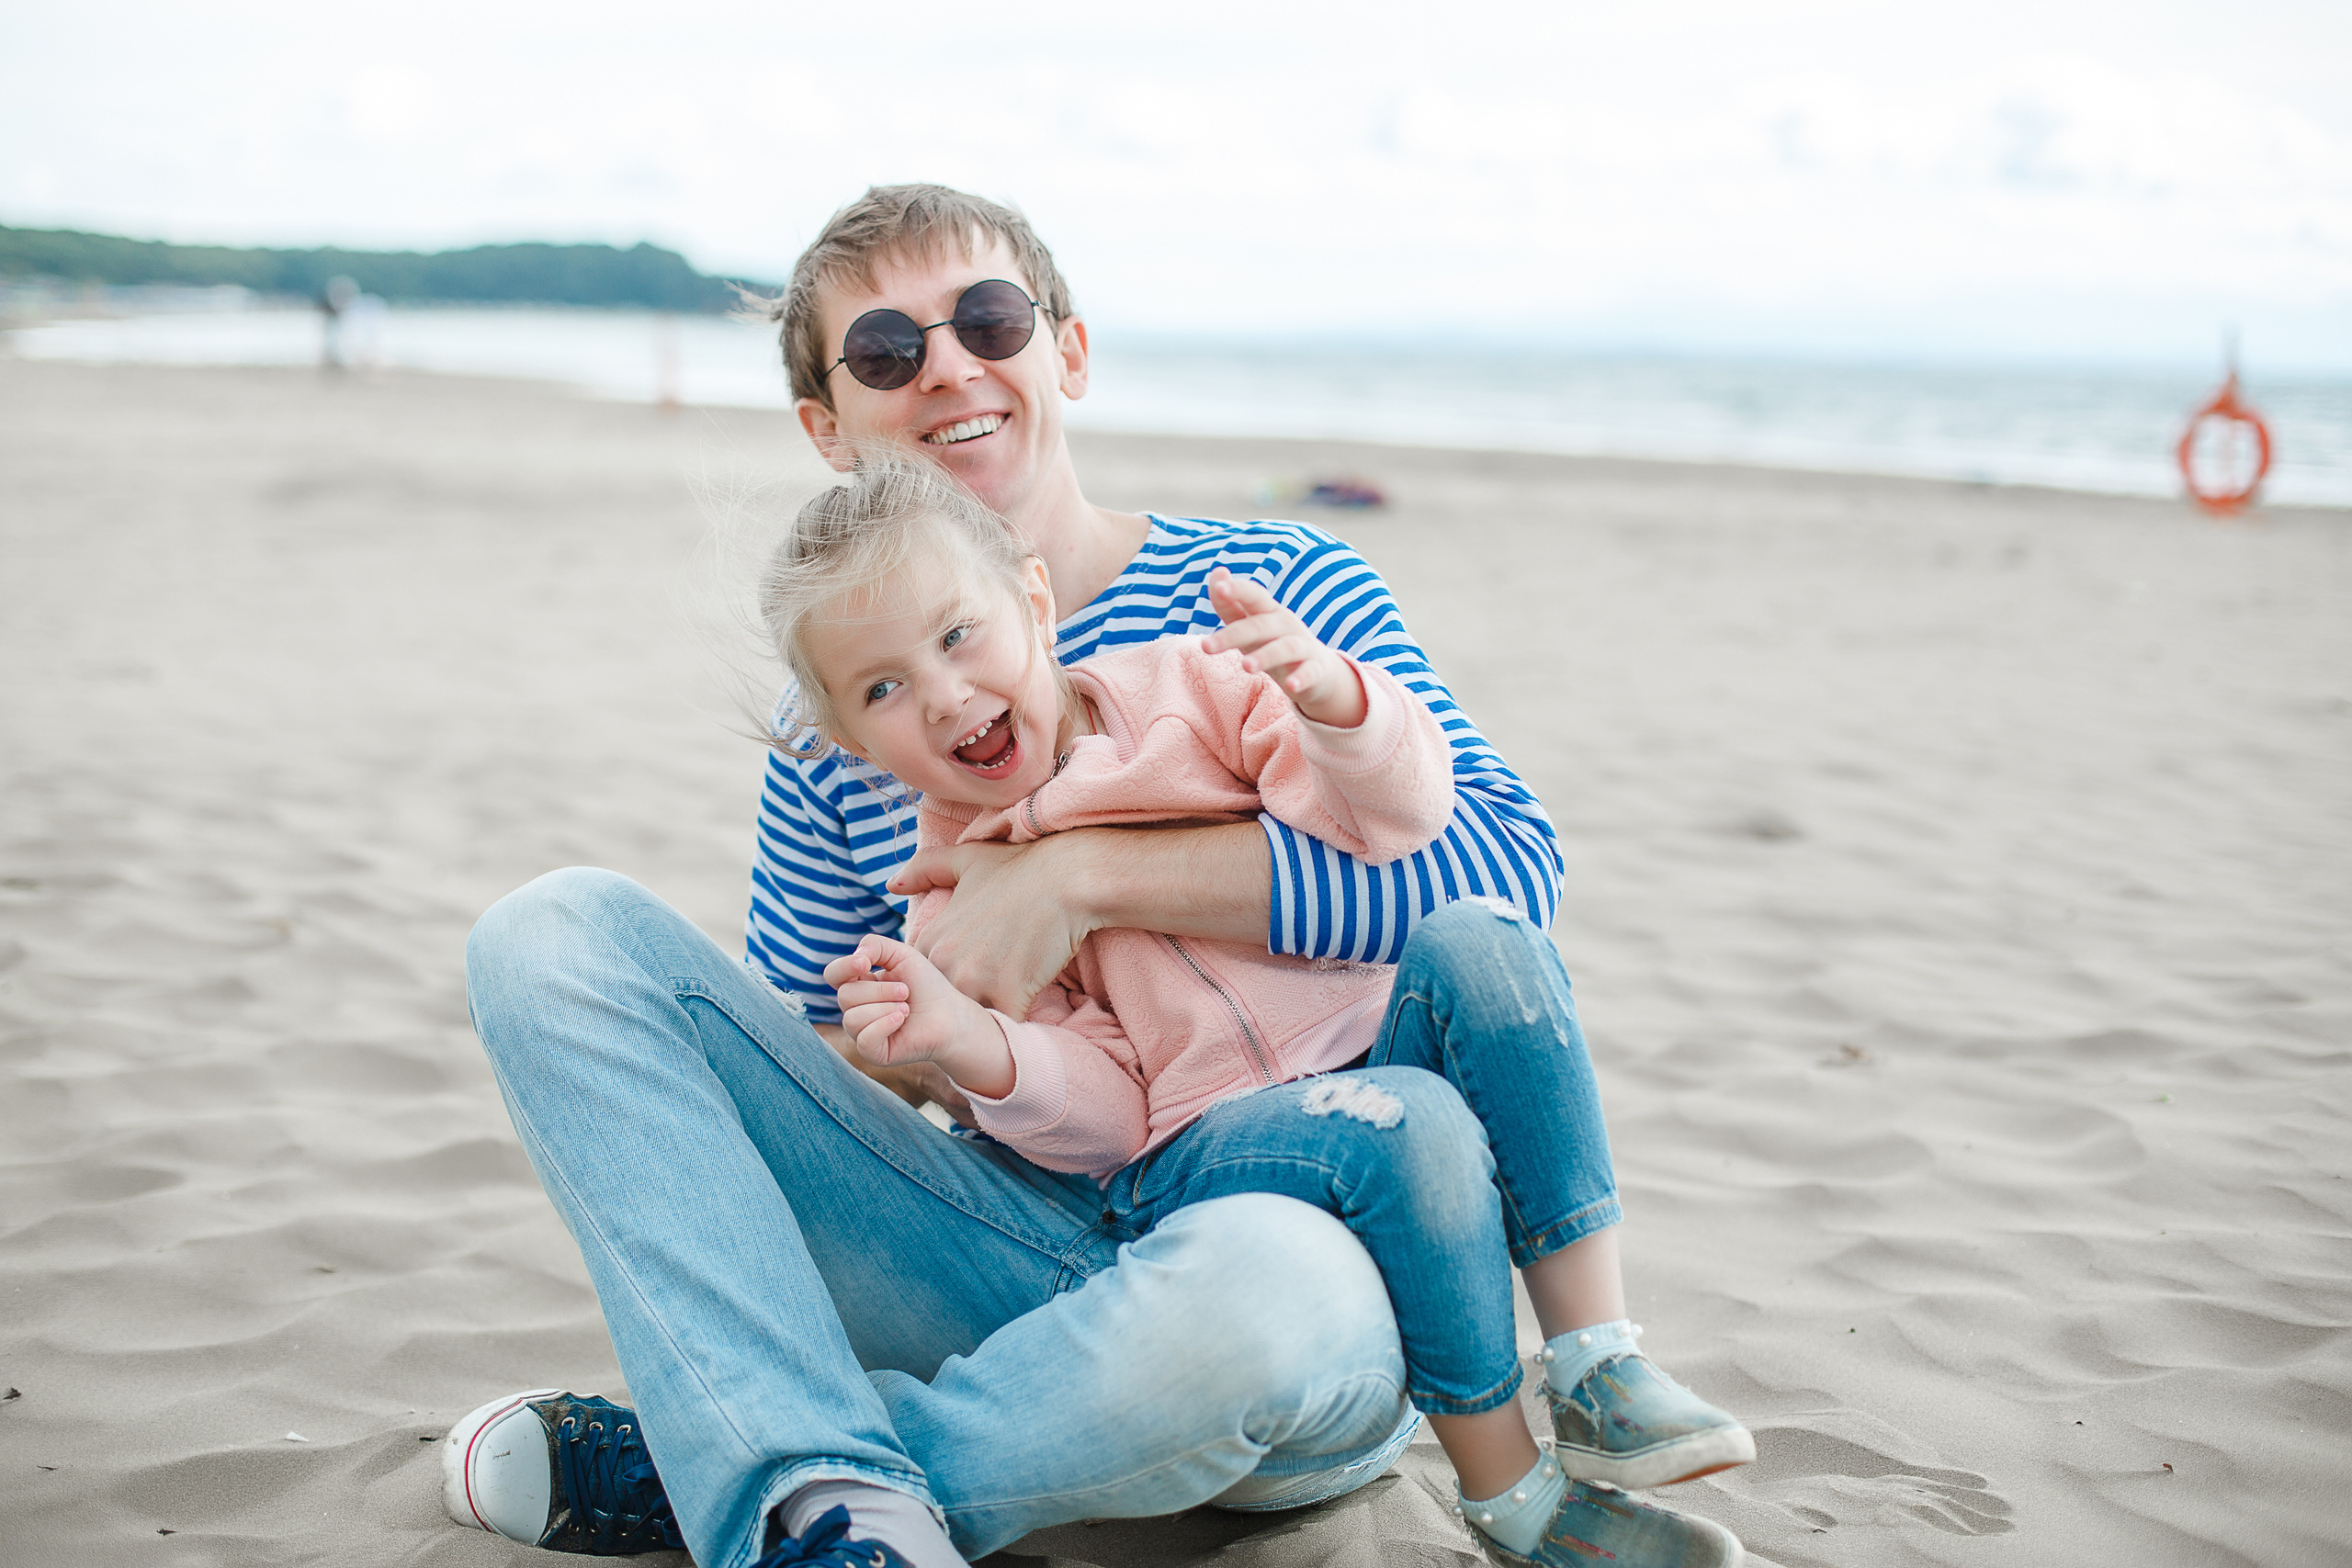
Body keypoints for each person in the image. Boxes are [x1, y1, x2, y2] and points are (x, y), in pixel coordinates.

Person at [447, 185, 1742, 1568]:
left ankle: (768, 1466)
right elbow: (807, 1079)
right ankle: (809, 1474)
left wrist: (1078, 880)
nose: (947, 367)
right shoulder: (832, 730)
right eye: (886, 352)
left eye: (987, 321)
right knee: (553, 935)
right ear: (829, 426)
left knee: (1263, 1295)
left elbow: (1503, 880)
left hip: (1312, 1250)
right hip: (1025, 1225)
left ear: (1064, 351)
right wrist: (932, 1032)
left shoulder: (1266, 589)